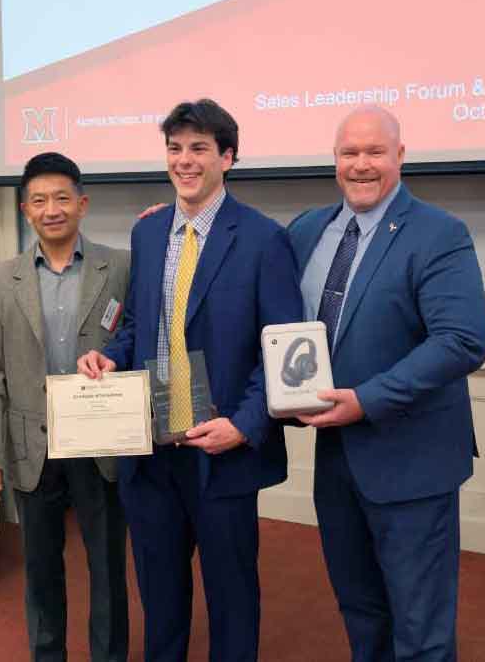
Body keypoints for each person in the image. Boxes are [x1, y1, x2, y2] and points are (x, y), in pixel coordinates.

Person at [78, 99, 302, 662]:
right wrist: (107, 357)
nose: (185, 161)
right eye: (175, 149)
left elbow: (282, 354)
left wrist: (244, 426)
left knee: (231, 601)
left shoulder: (263, 239)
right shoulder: (149, 233)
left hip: (221, 451)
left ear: (227, 157)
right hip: (150, 451)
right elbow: (136, 324)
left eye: (199, 148)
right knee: (160, 600)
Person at [287, 106, 485, 662]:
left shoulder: (439, 233)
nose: (361, 165)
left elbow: (463, 340)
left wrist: (367, 401)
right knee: (361, 610)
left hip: (412, 462)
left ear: (400, 156)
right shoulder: (308, 230)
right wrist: (174, 220)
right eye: (349, 153)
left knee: (421, 627)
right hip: (336, 461)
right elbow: (251, 278)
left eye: (374, 152)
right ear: (335, 160)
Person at [0, 152, 130, 662]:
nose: (52, 209)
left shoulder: (120, 266)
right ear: (25, 210)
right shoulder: (1, 279)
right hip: (31, 448)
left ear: (82, 204)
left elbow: (132, 338)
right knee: (41, 571)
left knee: (107, 568)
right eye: (39, 200)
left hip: (101, 443)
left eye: (62, 198)